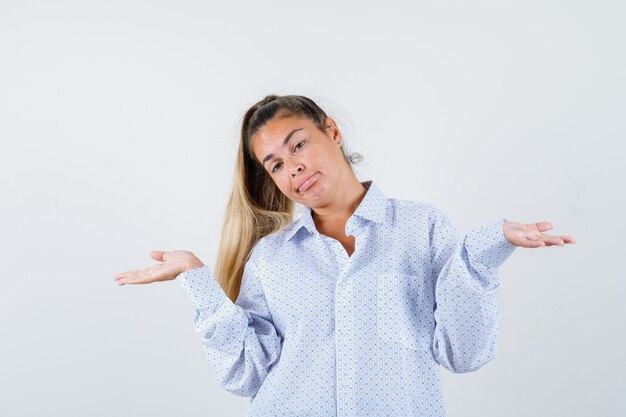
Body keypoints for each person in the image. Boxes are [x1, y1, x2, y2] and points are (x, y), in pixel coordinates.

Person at [113, 94, 575, 416]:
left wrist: (478, 255)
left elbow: (462, 353)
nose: (292, 165)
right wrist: (198, 279)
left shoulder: (422, 227)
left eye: (298, 144)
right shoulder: (271, 259)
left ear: (330, 131)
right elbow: (245, 375)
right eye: (275, 163)